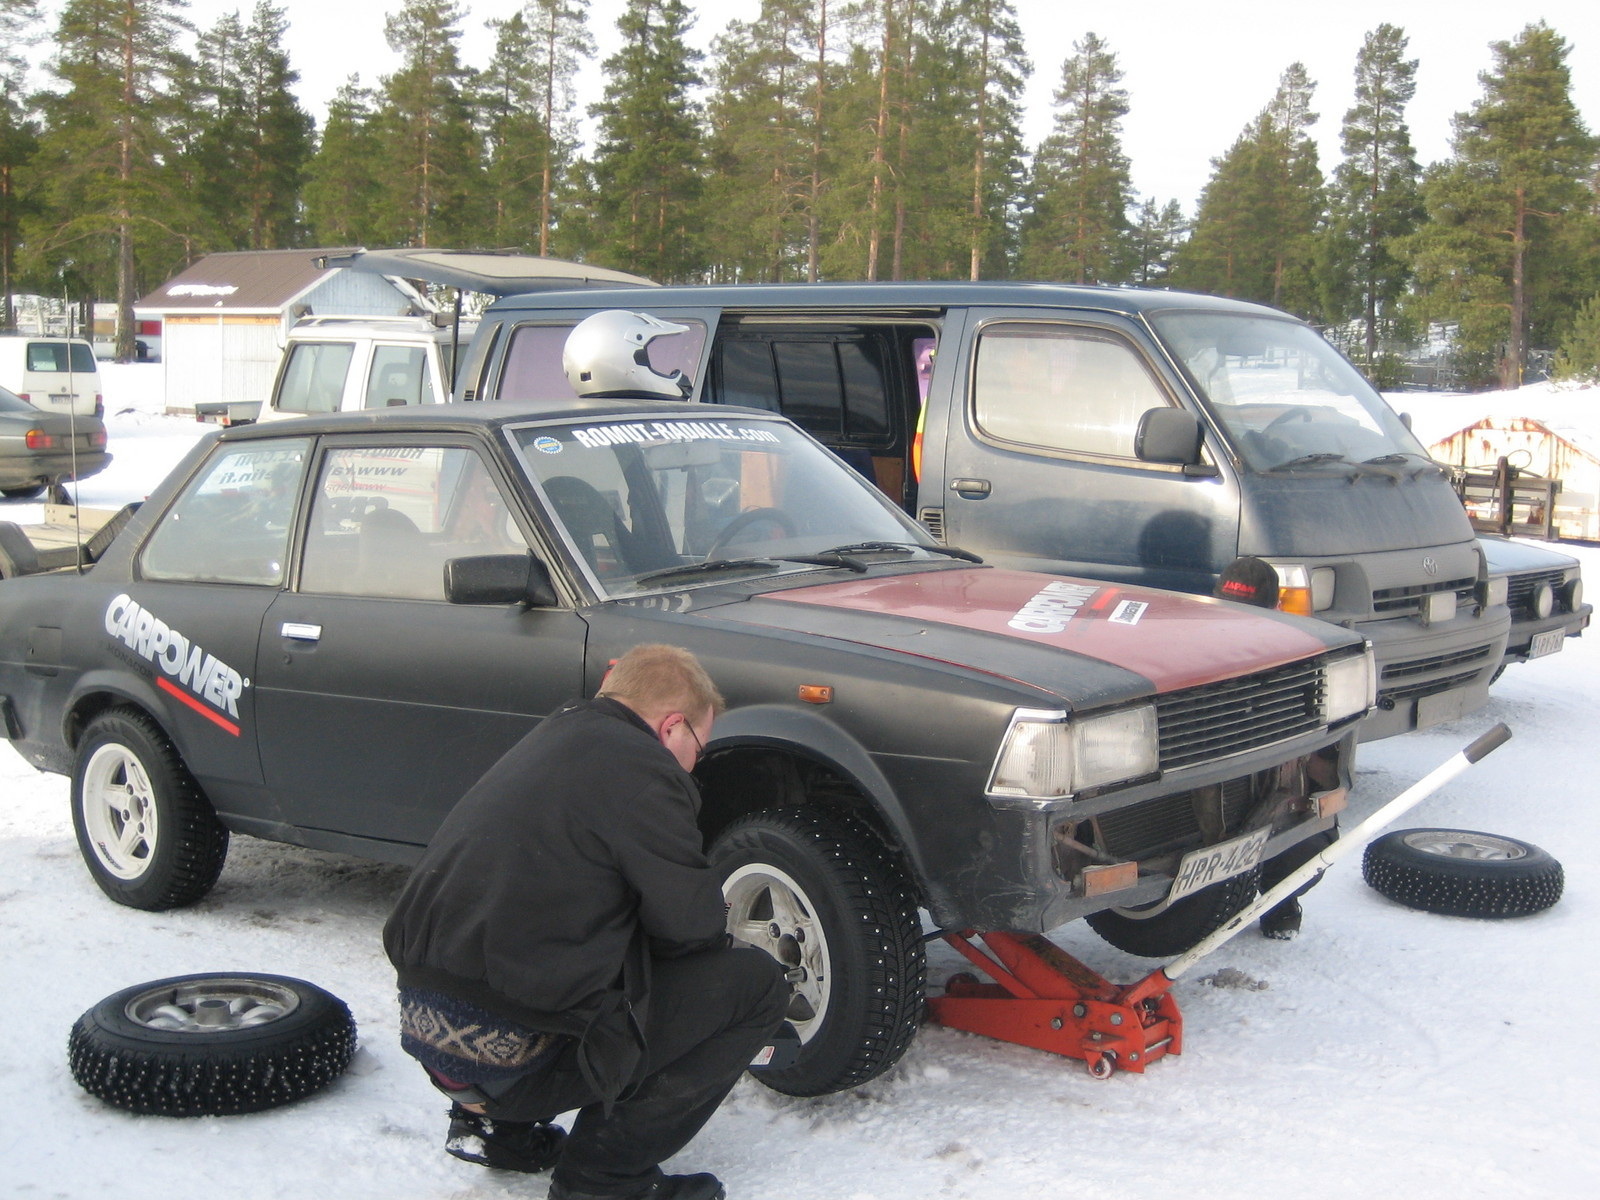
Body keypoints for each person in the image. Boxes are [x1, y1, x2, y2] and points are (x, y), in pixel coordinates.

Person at [383, 645, 790, 1200]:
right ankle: (604, 1180)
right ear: (672, 726)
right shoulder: (643, 772)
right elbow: (691, 927)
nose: (697, 761)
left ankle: (493, 1133)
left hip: (431, 1038)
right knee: (754, 986)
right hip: (513, 1061)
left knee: (545, 922)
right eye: (700, 745)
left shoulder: (552, 739)